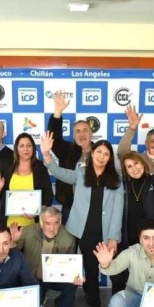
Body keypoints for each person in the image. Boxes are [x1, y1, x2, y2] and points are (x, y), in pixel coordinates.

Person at [40, 132, 124, 307]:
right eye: (99, 152)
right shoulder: (80, 171)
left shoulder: (116, 180)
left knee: (110, 275)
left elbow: (118, 210)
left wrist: (113, 237)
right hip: (82, 233)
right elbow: (60, 173)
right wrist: (47, 155)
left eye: (106, 153)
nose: (102, 156)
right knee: (91, 274)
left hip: (104, 235)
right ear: (92, 153)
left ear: (110, 158)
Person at [113, 150, 154, 295]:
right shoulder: (123, 185)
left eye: (136, 163)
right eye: (129, 166)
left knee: (153, 275)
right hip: (130, 236)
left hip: (152, 238)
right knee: (130, 275)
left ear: (143, 163)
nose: (134, 168)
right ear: (126, 171)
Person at [10, 206, 79, 307]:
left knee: (73, 283)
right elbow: (13, 255)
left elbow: (71, 262)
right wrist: (13, 241)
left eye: (55, 223)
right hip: (35, 278)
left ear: (60, 223)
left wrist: (75, 275)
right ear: (41, 223)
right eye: (48, 223)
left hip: (57, 277)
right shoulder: (28, 231)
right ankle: (41, 298)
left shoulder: (69, 236)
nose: (52, 228)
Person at [46, 91, 94, 223]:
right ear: (73, 136)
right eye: (77, 131)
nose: (81, 134)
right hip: (70, 207)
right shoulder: (67, 149)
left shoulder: (101, 152)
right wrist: (57, 112)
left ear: (91, 134)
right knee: (70, 243)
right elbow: (54, 138)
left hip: (94, 208)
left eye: (85, 130)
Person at [0, 132, 53, 227]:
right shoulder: (6, 164)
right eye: (22, 146)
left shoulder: (40, 167)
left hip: (33, 226)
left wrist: (37, 211)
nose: (25, 149)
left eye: (29, 145)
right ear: (16, 148)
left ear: (33, 148)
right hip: (8, 225)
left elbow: (48, 196)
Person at [116, 104, 154, 174]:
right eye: (153, 141)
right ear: (146, 143)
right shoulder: (137, 160)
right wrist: (132, 128)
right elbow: (121, 152)